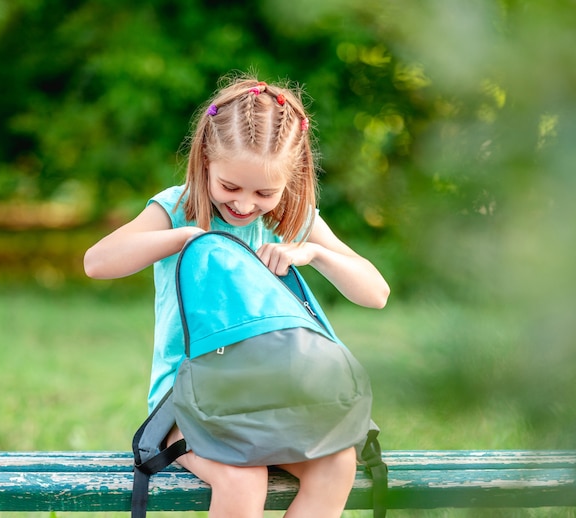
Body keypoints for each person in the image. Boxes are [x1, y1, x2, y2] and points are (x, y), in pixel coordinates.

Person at [84, 74, 390, 518]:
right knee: (243, 478)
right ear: (206, 159)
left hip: (277, 398)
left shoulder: (291, 219)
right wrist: (183, 238)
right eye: (230, 187)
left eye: (264, 192)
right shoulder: (177, 208)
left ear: (291, 179)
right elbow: (97, 262)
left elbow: (376, 293)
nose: (245, 205)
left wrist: (315, 252)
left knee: (337, 465)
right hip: (191, 402)